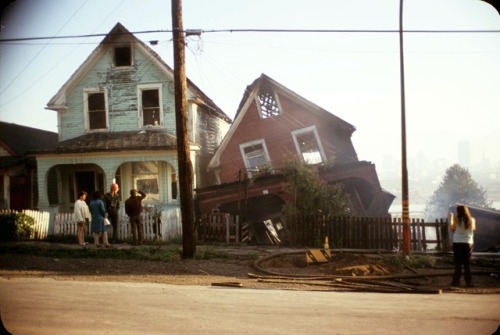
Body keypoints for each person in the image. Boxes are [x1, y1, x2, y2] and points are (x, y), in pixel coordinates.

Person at [449, 205, 476, 287]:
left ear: (458, 212)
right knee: (467, 263)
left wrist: (451, 218)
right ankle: (469, 282)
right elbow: (474, 229)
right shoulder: (472, 220)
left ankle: (456, 282)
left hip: (457, 242)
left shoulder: (456, 220)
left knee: (458, 263)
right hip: (468, 243)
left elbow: (452, 229)